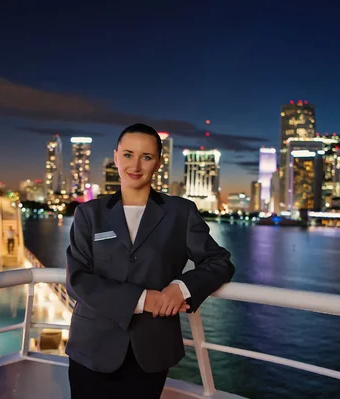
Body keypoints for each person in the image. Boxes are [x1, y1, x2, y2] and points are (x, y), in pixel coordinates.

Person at [65, 123, 235, 399]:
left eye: (146, 157)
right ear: (116, 156)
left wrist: (181, 287)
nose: (136, 165)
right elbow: (77, 281)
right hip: (91, 347)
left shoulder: (180, 212)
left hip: (152, 349)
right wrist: (144, 299)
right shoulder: (89, 213)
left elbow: (219, 262)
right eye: (128, 154)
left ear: (158, 162)